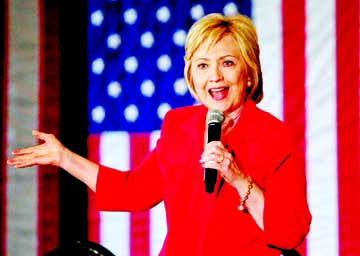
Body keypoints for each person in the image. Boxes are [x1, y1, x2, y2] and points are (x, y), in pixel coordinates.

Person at [7, 13, 311, 255]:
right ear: (192, 74)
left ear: (248, 73)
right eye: (203, 65)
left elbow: (290, 233)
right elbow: (132, 192)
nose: (215, 76)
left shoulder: (275, 136)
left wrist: (239, 179)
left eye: (227, 63)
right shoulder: (179, 126)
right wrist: (63, 157)